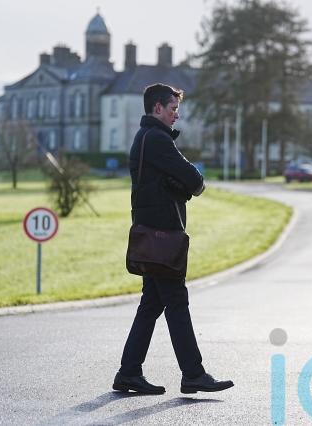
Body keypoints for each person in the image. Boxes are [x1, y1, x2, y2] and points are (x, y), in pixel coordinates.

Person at [113, 83, 234, 395]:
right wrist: (186, 186)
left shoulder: (145, 138)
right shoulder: (156, 139)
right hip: (163, 237)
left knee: (152, 304)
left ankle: (129, 372)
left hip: (152, 235)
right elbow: (194, 180)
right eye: (172, 109)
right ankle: (193, 374)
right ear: (157, 108)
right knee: (176, 302)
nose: (176, 115)